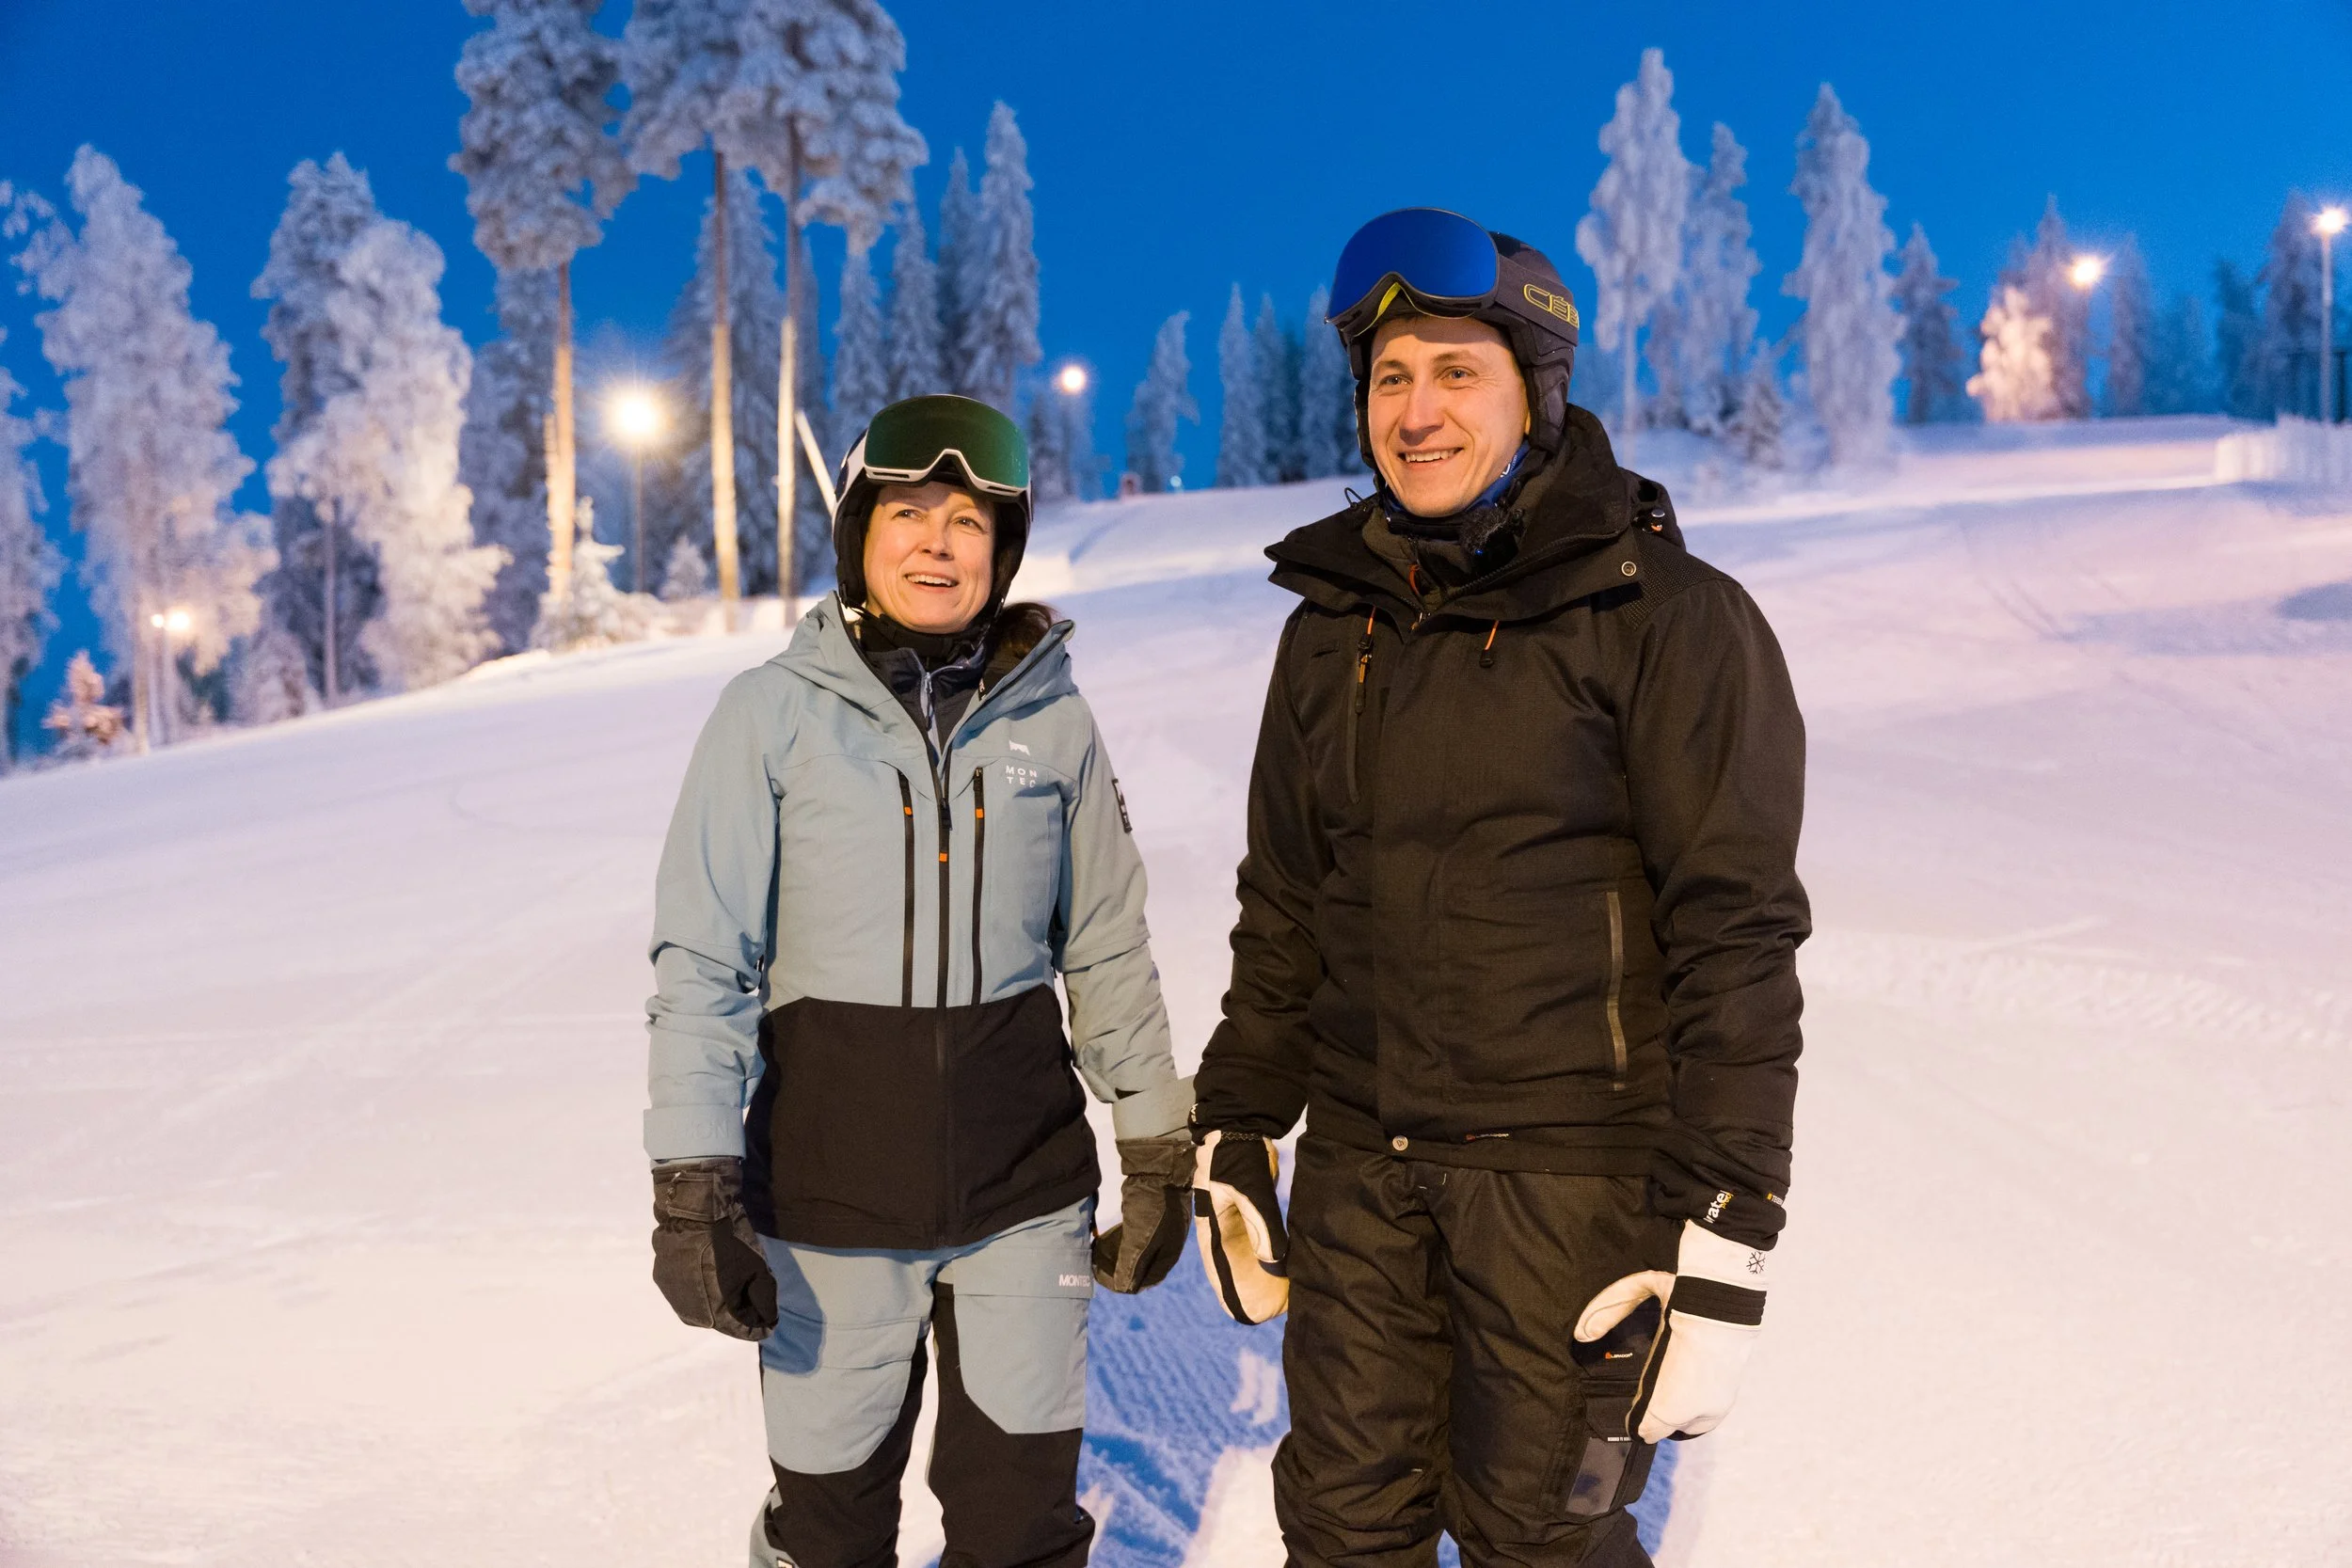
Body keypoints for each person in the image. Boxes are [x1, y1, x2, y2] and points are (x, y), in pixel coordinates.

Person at [1189, 210, 1810, 1567]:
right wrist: (1237, 1117)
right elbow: (1286, 899)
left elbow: (1738, 935)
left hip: (1571, 1179)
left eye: (1455, 370)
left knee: (1542, 1536)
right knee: (1344, 1529)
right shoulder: (1330, 625)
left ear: (1534, 388)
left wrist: (1730, 1227)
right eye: (1390, 377)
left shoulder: (1665, 616)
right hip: (1363, 1166)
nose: (1416, 410)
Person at [642, 395, 1198, 1568]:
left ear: (1002, 552)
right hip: (830, 1201)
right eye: (908, 514)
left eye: (967, 521)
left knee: (1020, 1530)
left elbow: (1105, 940)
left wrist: (1154, 1140)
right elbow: (704, 962)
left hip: (1022, 1193)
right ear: (860, 536)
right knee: (830, 1529)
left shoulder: (1055, 720)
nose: (937, 543)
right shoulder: (771, 718)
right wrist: (692, 1180)